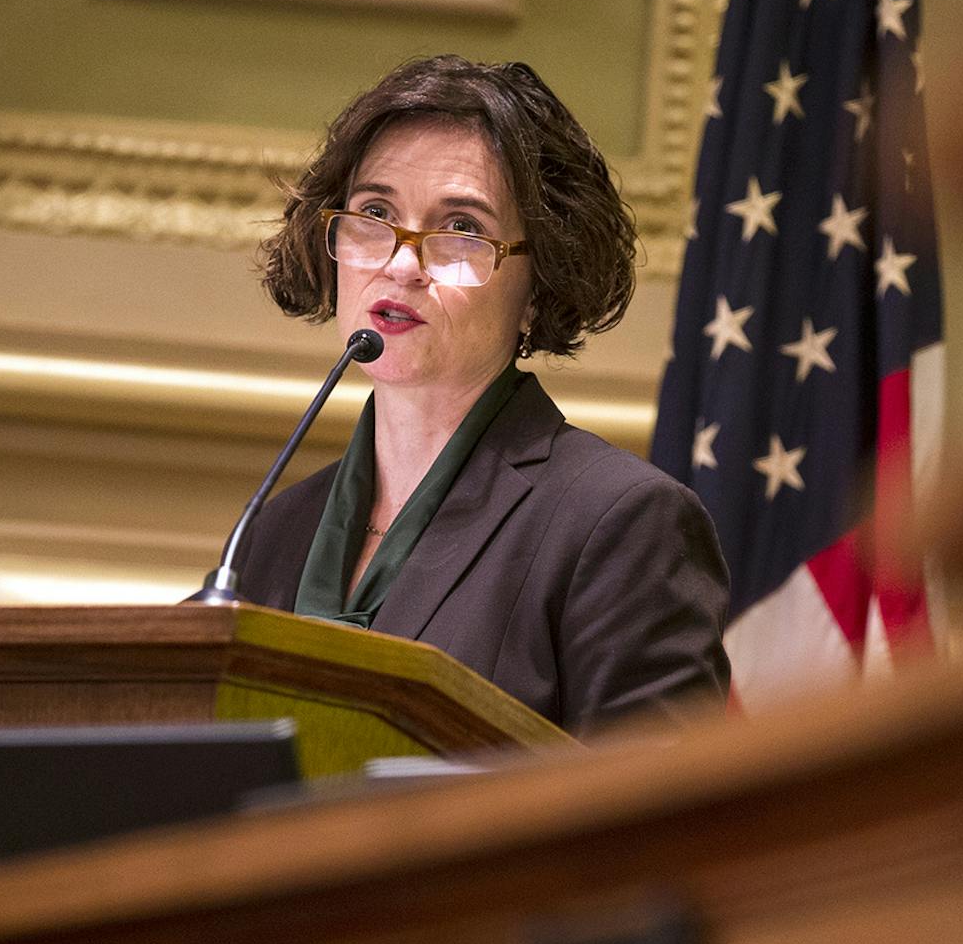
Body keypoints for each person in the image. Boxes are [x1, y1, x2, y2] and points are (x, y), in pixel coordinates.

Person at [232, 55, 730, 734]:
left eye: (461, 228)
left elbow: (658, 824)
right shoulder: (272, 531)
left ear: (539, 286)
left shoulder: (619, 526)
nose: (401, 262)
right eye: (375, 212)